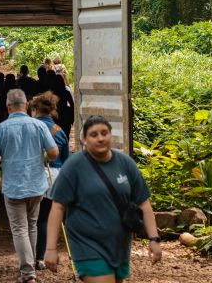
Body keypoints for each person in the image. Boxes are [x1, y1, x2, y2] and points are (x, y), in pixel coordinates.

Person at [44, 116, 163, 282]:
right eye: (94, 135)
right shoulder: (74, 166)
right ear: (84, 140)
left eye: (104, 133)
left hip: (120, 246)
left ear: (110, 135)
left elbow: (144, 203)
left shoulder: (125, 164)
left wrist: (154, 239)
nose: (100, 138)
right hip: (87, 244)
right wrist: (50, 248)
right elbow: (58, 208)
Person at [0, 89, 58, 283]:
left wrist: (2, 159)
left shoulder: (0, 129)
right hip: (36, 185)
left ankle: (28, 273)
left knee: (19, 228)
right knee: (32, 224)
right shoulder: (39, 126)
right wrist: (41, 156)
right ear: (26, 105)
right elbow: (54, 153)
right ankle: (31, 264)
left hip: (13, 186)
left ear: (8, 107)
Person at [29, 91, 70, 270]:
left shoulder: (30, 127)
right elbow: (66, 158)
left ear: (35, 109)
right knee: (45, 217)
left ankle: (30, 257)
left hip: (33, 173)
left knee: (29, 218)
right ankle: (41, 256)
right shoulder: (59, 130)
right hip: (55, 175)